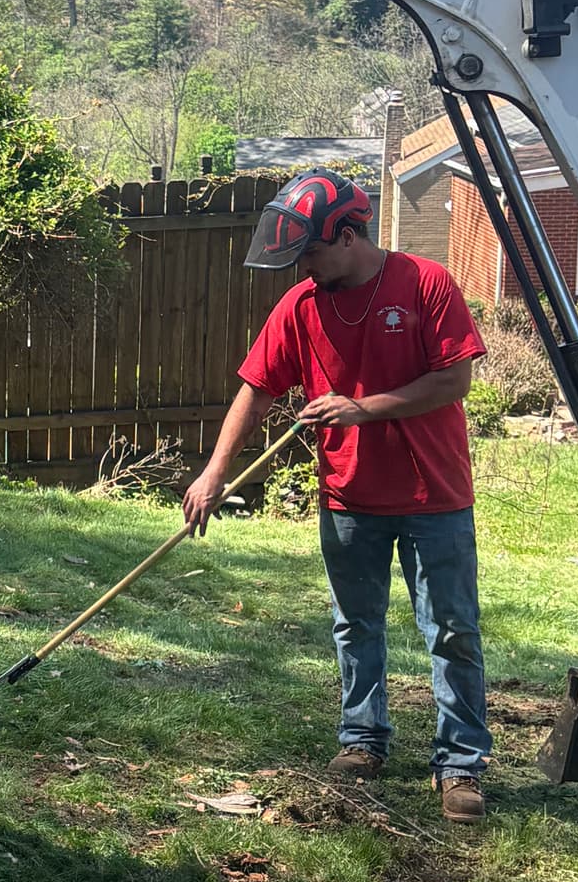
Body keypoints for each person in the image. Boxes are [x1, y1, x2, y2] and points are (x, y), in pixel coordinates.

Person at [181, 169, 492, 820]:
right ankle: (362, 740)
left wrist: (362, 408)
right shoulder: (301, 305)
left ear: (349, 236)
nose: (304, 267)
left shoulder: (425, 283)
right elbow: (255, 391)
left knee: (452, 630)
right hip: (350, 497)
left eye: (312, 252)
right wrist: (214, 473)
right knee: (356, 627)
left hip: (434, 495)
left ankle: (460, 764)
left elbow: (453, 381)